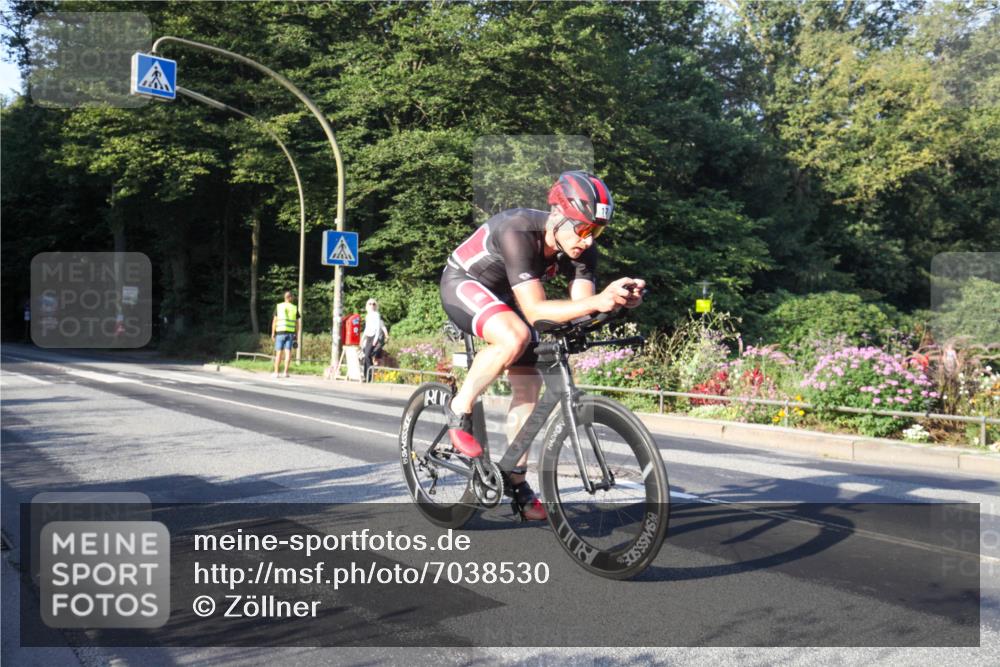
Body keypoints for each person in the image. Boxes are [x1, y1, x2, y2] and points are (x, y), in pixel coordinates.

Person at [439, 171, 645, 520]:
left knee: (529, 387)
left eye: (596, 231)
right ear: (556, 217)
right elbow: (535, 312)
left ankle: (515, 481)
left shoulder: (580, 249)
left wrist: (619, 302)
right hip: (465, 283)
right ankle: (459, 408)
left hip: (510, 297)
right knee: (514, 336)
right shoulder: (519, 230)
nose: (589, 240)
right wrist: (598, 300)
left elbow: (580, 309)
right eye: (582, 229)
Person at [271, 291, 301, 378]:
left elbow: (275, 321)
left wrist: (273, 333)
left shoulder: (279, 306)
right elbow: (297, 324)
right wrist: (297, 335)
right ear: (290, 298)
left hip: (280, 332)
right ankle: (285, 372)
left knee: (279, 353)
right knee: (288, 352)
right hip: (290, 333)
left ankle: (276, 373)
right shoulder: (294, 308)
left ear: (285, 297)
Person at [361, 298, 389, 382]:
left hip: (374, 337)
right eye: (370, 304)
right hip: (368, 336)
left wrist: (375, 339)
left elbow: (378, 328)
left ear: (376, 305)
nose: (372, 305)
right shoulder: (367, 316)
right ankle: (366, 376)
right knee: (366, 356)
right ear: (367, 305)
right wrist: (362, 339)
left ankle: (369, 376)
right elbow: (366, 328)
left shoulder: (376, 315)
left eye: (374, 304)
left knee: (367, 355)